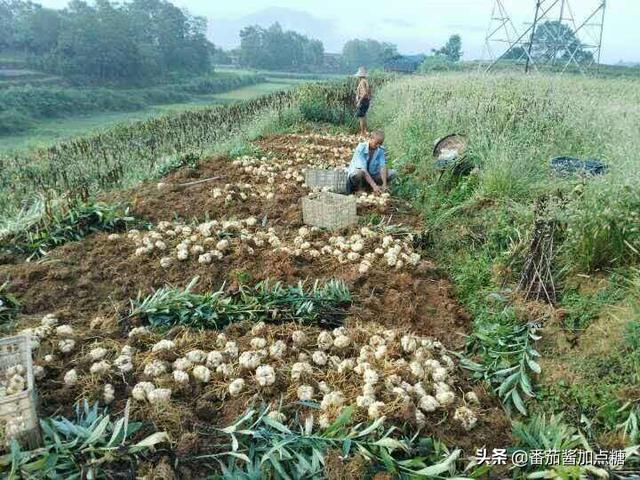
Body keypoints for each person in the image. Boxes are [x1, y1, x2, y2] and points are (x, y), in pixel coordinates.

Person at [347, 130, 395, 194]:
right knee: (359, 173)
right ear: (371, 139)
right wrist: (374, 185)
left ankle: (374, 188)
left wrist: (384, 184)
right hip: (360, 176)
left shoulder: (380, 150)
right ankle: (360, 189)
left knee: (392, 173)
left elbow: (382, 166)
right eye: (376, 143)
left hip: (372, 175)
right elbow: (363, 170)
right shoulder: (361, 147)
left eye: (380, 144)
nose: (378, 146)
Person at [354, 66, 371, 136]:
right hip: (366, 100)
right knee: (364, 116)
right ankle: (365, 131)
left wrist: (359, 101)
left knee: (361, 117)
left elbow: (364, 93)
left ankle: (362, 132)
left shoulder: (362, 82)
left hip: (363, 100)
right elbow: (368, 93)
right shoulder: (365, 81)